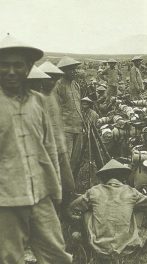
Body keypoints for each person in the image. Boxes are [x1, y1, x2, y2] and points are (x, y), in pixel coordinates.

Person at [0, 33, 72, 264]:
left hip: (41, 194)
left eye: (18, 65)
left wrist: (56, 188)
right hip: (6, 200)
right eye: (4, 65)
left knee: (57, 255)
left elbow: (49, 148)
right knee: (10, 258)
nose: (11, 72)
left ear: (28, 68)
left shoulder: (39, 101)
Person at [68, 159, 147, 263]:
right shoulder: (131, 191)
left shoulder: (94, 191)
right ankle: (131, 236)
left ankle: (86, 236)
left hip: (98, 245)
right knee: (139, 210)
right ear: (122, 177)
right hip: (126, 246)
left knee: (87, 211)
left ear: (104, 177)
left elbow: (74, 206)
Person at [38, 60, 75, 208]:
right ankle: (54, 212)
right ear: (41, 79)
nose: (52, 81)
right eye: (49, 78)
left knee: (68, 183)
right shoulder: (36, 97)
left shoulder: (53, 96)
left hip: (60, 147)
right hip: (44, 148)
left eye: (55, 78)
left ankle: (65, 210)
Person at [54, 56, 83, 169]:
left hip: (78, 127)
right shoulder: (58, 86)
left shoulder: (76, 85)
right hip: (65, 129)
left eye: (76, 69)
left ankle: (70, 183)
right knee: (65, 159)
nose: (75, 72)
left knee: (74, 160)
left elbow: (78, 106)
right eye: (72, 69)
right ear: (63, 71)